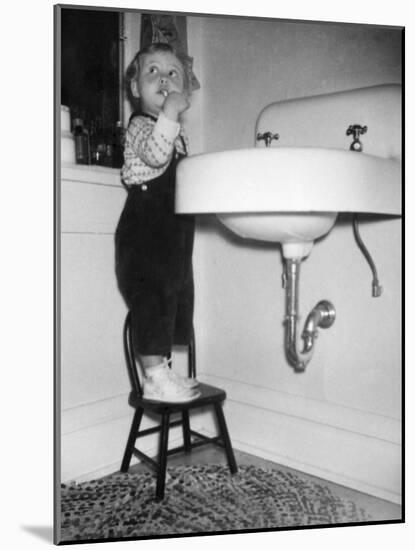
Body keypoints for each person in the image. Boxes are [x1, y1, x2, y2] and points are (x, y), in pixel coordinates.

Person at [115, 42, 200, 402]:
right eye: (153, 71)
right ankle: (153, 376)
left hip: (172, 234)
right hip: (144, 232)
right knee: (150, 298)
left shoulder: (177, 135)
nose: (163, 77)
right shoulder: (139, 126)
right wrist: (169, 114)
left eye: (173, 72)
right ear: (135, 88)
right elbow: (154, 154)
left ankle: (162, 370)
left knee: (172, 298)